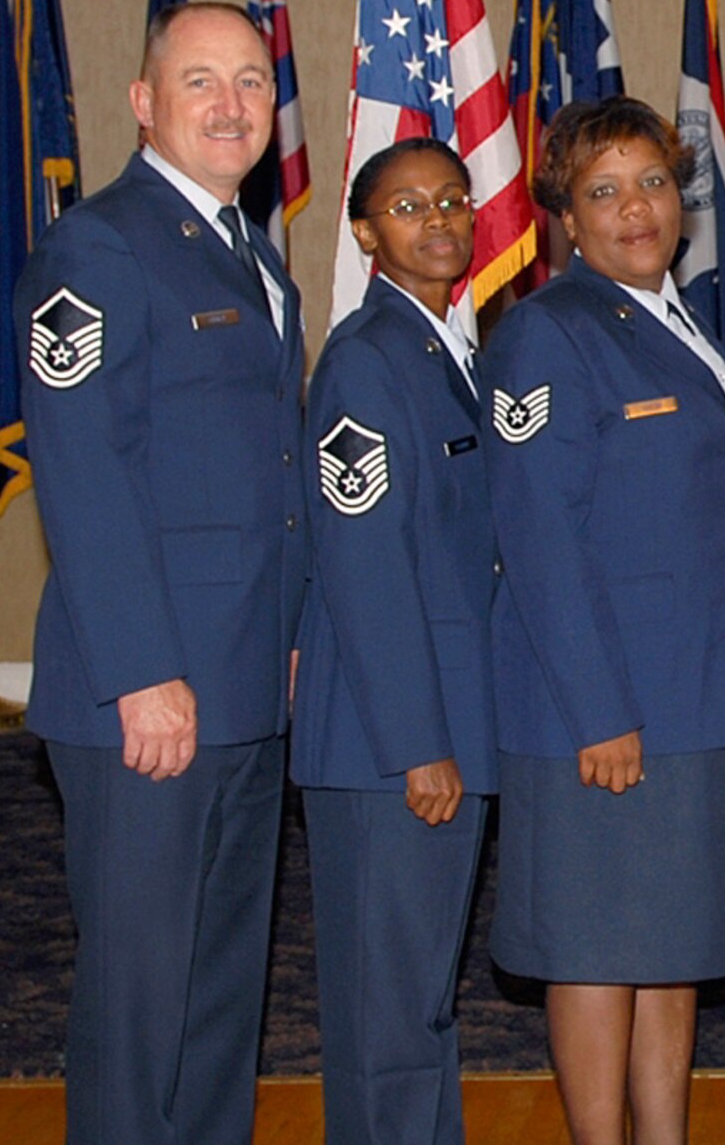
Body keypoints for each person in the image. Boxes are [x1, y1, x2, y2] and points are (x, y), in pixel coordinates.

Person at [10, 1, 306, 1145]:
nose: (230, 105)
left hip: (239, 680)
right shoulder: (101, 245)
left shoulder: (245, 249)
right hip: (149, 695)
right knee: (140, 1001)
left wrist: (286, 633)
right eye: (199, 82)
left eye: (249, 81)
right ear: (143, 103)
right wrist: (142, 670)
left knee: (222, 989)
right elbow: (82, 473)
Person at [484, 97, 725, 1145]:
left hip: (697, 695)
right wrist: (598, 714)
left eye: (650, 182)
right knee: (595, 948)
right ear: (563, 213)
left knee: (673, 946)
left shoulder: (674, 320)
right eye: (601, 191)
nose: (633, 209)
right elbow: (540, 540)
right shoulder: (547, 334)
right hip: (605, 711)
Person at [290, 138, 495, 1144]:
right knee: (386, 1016)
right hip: (391, 748)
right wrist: (418, 742)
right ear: (366, 235)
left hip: (442, 726)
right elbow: (364, 570)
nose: (439, 221)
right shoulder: (368, 363)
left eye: (452, 200)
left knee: (418, 1000)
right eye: (408, 207)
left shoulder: (444, 347)